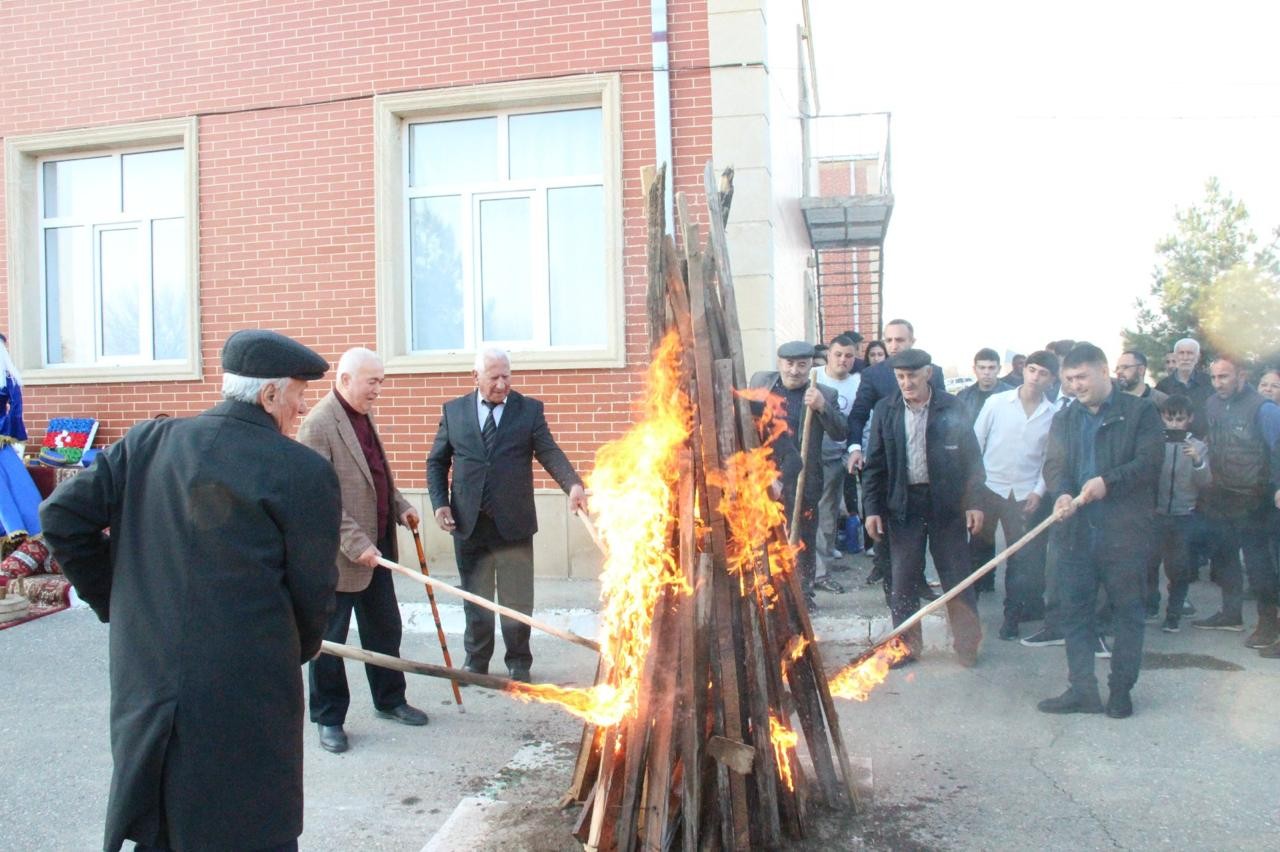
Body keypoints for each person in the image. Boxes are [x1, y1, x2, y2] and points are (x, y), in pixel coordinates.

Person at [39, 330, 343, 852]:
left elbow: (61, 517)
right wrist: (297, 647)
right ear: (270, 395)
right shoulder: (302, 471)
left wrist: (119, 602)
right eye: (297, 396)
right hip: (245, 691)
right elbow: (313, 594)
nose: (300, 410)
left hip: (150, 681)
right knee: (246, 827)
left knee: (159, 824)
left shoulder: (146, 443)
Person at [427, 348, 586, 682]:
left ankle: (518, 662)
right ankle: (476, 660)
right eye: (494, 377)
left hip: (513, 524)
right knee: (475, 596)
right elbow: (437, 462)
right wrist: (440, 503)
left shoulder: (528, 411)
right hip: (468, 523)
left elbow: (549, 451)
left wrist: (572, 485)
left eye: (506, 376)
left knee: (517, 598)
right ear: (476, 378)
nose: (502, 384)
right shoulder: (454, 412)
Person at [299, 348, 429, 754]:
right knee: (330, 643)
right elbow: (318, 499)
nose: (378, 390)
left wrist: (401, 506)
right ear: (345, 379)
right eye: (372, 381)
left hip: (379, 549)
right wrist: (355, 543)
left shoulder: (363, 415)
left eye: (381, 381)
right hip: (340, 558)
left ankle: (390, 700)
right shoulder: (318, 425)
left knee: (384, 630)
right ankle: (329, 718)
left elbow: (376, 478)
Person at [1037, 343, 1162, 719]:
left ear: (1104, 371)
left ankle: (1121, 691)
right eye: (1070, 379)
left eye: (1082, 377)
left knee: (1127, 613)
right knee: (1074, 612)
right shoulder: (1066, 418)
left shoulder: (1140, 412)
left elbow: (1150, 463)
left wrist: (1109, 481)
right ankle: (1082, 691)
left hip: (1124, 533)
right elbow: (1055, 465)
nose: (1075, 386)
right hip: (1077, 532)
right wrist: (1060, 495)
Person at [862, 348, 985, 666]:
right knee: (902, 579)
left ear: (928, 373)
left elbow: (972, 461)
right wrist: (872, 510)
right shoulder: (885, 409)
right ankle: (905, 647)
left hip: (947, 504)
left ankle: (967, 645)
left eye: (912, 376)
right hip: (903, 506)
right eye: (900, 377)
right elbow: (874, 464)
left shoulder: (951, 406)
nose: (906, 383)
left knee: (956, 576)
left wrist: (974, 503)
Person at [847, 321, 945, 599]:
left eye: (900, 339)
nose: (893, 345)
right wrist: (855, 447)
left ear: (912, 340)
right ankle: (894, 585)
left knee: (919, 536)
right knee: (889, 536)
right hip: (887, 465)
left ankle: (919, 582)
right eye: (888, 340)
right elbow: (858, 414)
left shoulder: (932, 371)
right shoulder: (874, 375)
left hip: (923, 466)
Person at [750, 341, 848, 610]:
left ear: (811, 365)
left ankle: (803, 595)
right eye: (789, 364)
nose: (795, 370)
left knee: (803, 536)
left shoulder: (823, 392)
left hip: (804, 478)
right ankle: (769, 591)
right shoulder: (762, 383)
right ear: (780, 363)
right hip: (766, 476)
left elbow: (841, 432)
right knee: (766, 535)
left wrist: (821, 407)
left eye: (802, 365)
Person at [1190, 355, 1280, 649]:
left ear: (1241, 376)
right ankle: (1231, 614)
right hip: (1221, 494)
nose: (1218, 384)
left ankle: (1268, 625)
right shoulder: (1213, 403)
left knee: (1258, 566)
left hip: (1255, 499)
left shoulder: (1263, 409)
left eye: (1224, 377)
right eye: (1214, 378)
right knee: (1224, 559)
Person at [971, 350, 1061, 640]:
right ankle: (966, 615)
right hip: (989, 488)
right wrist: (973, 492)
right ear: (1023, 370)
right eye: (1031, 370)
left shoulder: (1053, 415)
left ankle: (1011, 617)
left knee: (1019, 559)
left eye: (1043, 373)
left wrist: (1037, 492)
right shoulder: (997, 403)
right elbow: (976, 444)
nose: (1035, 377)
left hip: (1023, 494)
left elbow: (1049, 459)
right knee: (977, 551)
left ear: (1051, 379)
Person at [1151, 395, 1210, 632]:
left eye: (1180, 419)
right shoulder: (1155, 443)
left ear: (1189, 419)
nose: (1175, 424)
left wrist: (1197, 461)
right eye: (1169, 419)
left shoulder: (1199, 446)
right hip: (1156, 512)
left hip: (1184, 514)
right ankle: (1150, 604)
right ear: (1162, 419)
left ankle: (1174, 613)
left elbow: (1205, 482)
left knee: (1179, 567)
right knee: (1149, 562)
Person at [815, 334, 862, 590]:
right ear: (828, 355)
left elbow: (859, 420)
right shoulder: (814, 377)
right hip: (812, 455)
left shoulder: (858, 383)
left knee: (830, 511)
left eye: (849, 356)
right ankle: (817, 570)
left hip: (838, 454)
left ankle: (824, 562)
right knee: (815, 511)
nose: (843, 360)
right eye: (838, 355)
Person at [1155, 338, 1213, 434]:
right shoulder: (1163, 386)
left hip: (1204, 443)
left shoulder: (1209, 383)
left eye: (1190, 353)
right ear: (1175, 356)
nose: (1185, 358)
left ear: (1198, 357)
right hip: (1172, 442)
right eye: (1181, 353)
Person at [956, 348, 1013, 424]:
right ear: (974, 369)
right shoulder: (963, 397)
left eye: (991, 368)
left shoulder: (1012, 395)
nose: (986, 372)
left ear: (999, 369)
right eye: (982, 368)